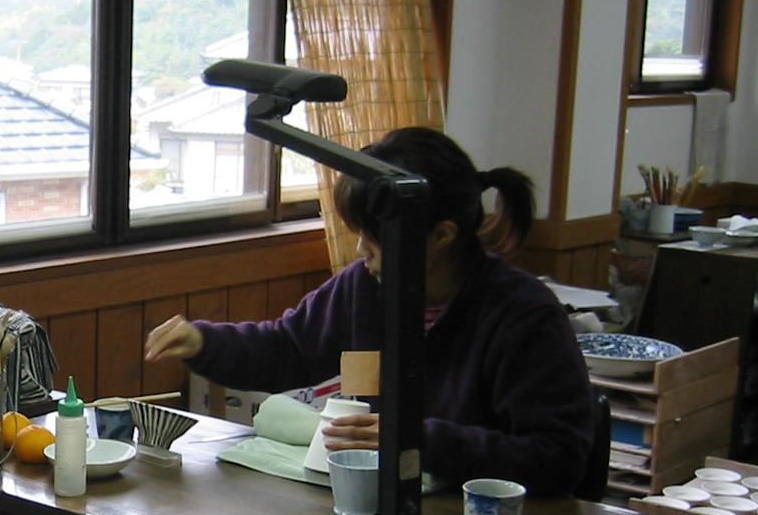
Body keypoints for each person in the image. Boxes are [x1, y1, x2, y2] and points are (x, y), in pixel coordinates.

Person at [144, 127, 595, 496]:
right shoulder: (365, 286)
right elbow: (288, 348)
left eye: (376, 235)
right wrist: (204, 342)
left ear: (442, 235)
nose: (362, 250)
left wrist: (415, 438)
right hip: (386, 504)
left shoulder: (523, 315)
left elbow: (558, 458)